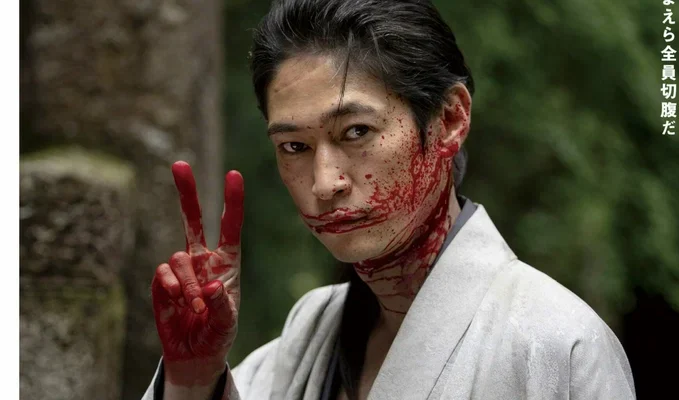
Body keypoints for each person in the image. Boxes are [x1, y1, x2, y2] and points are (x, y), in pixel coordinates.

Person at [142, 0, 636, 399]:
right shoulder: (310, 330)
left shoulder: (556, 344)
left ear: (449, 120)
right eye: (294, 146)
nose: (325, 182)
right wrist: (194, 378)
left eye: (356, 131)